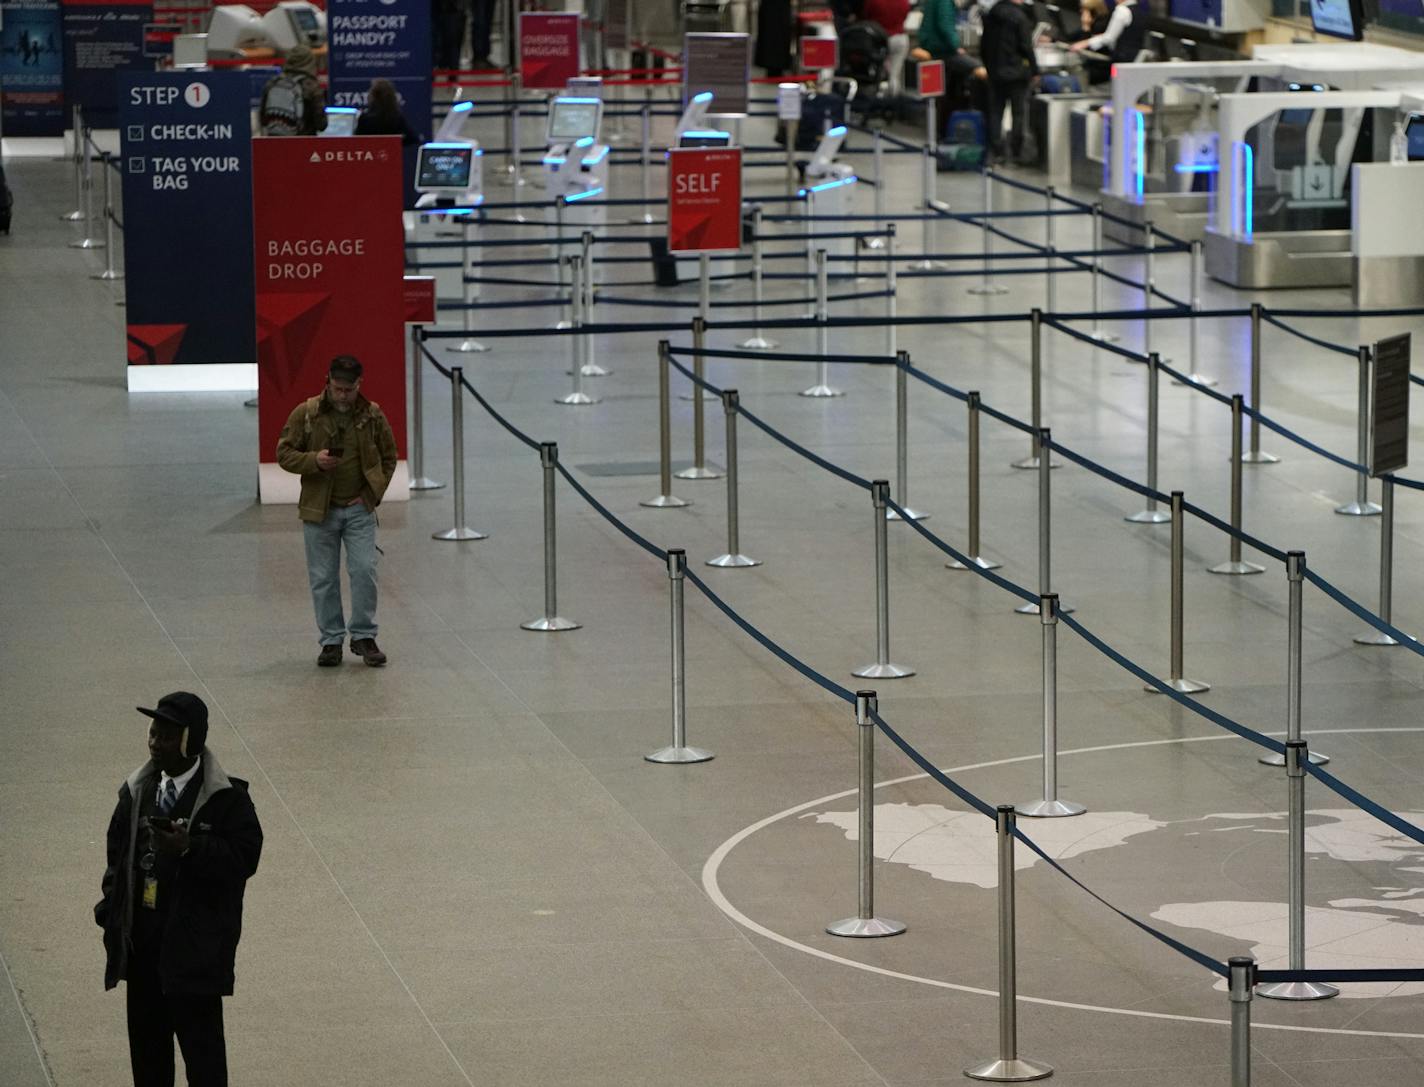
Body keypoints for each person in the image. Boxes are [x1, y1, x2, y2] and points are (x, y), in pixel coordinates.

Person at [96, 692, 263, 1087]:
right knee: (149, 1065)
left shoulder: (228, 800)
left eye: (167, 736)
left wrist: (190, 847)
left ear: (191, 742)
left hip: (194, 960)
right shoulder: (136, 792)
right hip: (143, 959)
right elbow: (116, 857)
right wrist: (112, 908)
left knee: (205, 1065)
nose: (155, 742)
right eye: (153, 733)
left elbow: (245, 858)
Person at [276, 356, 398, 668]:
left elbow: (389, 457)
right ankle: (331, 640)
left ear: (360, 385)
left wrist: (371, 494)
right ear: (327, 381)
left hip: (359, 509)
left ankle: (363, 635)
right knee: (323, 578)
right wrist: (313, 461)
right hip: (320, 510)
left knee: (363, 571)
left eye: (349, 389)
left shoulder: (372, 416)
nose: (343, 395)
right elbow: (284, 453)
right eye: (338, 388)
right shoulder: (307, 413)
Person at [979, 0, 1039, 164]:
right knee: (1018, 112)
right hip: (1017, 73)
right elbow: (1026, 46)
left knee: (995, 112)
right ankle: (1016, 151)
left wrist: (988, 66)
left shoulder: (991, 14)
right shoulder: (1020, 17)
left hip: (995, 72)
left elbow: (983, 45)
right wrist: (1035, 70)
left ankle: (997, 151)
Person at [258, 44, 327, 136]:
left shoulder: (273, 83)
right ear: (310, 62)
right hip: (302, 144)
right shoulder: (312, 87)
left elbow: (263, 119)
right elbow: (321, 125)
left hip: (274, 144)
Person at [1070, 0, 1147, 65]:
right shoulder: (1138, 10)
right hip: (1133, 58)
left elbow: (1109, 38)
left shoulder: (1121, 10)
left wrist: (1085, 43)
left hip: (1121, 59)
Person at [862, 0, 911, 96]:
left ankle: (877, 96)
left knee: (878, 72)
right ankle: (894, 98)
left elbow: (866, 16)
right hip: (899, 38)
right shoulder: (903, 1)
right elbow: (905, 14)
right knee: (894, 74)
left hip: (878, 39)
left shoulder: (874, 2)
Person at [354, 79, 421, 145]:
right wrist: (396, 142)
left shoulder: (365, 119)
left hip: (370, 154)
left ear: (372, 97)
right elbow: (414, 138)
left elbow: (355, 141)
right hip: (392, 154)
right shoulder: (396, 118)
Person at [1067, 0, 1112, 85]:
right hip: (1090, 64)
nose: (1081, 11)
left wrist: (1086, 26)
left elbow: (1087, 49)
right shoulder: (1093, 24)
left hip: (1100, 68)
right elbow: (1070, 37)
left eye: (1084, 9)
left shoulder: (1102, 26)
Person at [754, 0, 793, 78]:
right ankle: (773, 65)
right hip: (773, 8)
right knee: (772, 35)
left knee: (776, 34)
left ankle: (775, 65)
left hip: (777, 8)